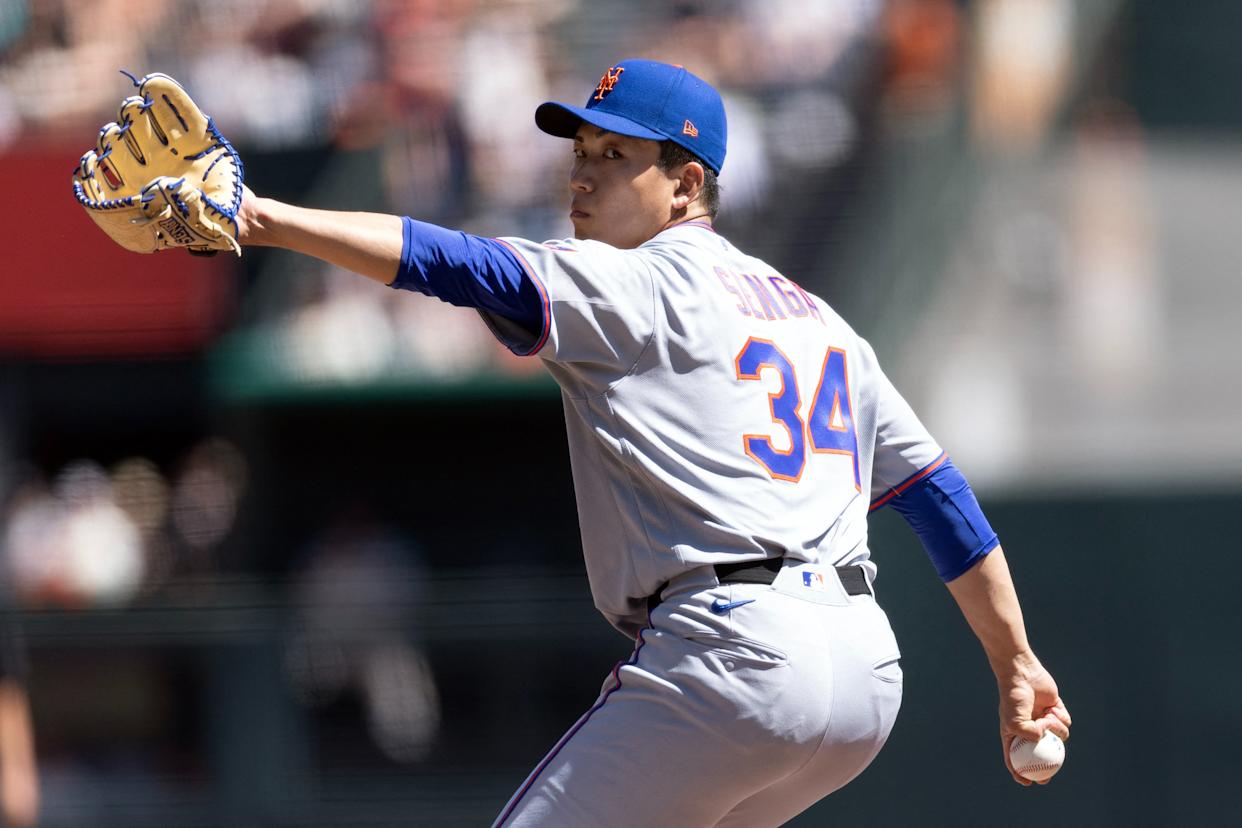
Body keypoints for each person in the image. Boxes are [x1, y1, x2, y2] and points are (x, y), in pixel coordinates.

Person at [233, 59, 1071, 826]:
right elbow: (937, 500)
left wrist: (265, 216)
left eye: (614, 155)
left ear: (686, 184)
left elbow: (462, 265)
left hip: (732, 653)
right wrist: (1016, 660)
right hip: (864, 677)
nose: (582, 174)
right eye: (581, 151)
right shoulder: (825, 325)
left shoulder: (642, 280)